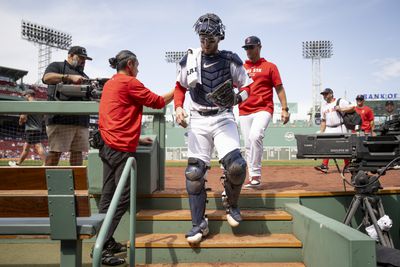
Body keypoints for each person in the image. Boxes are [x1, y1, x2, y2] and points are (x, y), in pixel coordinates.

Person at [174, 13, 253, 244]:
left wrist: (238, 99)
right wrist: (179, 107)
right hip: (198, 118)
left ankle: (231, 202)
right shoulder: (189, 59)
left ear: (219, 38)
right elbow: (179, 87)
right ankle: (199, 224)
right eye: (202, 38)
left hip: (223, 117)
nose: (205, 43)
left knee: (237, 167)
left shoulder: (230, 60)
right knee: (194, 174)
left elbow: (249, 86)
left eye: (210, 39)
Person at [97, 50, 174, 265]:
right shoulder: (129, 82)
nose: (138, 69)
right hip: (120, 149)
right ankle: (101, 248)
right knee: (122, 198)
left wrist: (137, 140)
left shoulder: (111, 82)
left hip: (107, 144)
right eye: (137, 65)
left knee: (107, 196)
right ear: (130, 64)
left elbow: (116, 115)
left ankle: (106, 240)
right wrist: (178, 90)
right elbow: (158, 102)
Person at [239, 36, 290, 189]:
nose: (248, 50)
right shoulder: (241, 67)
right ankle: (252, 177)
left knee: (255, 136)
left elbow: (279, 88)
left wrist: (284, 108)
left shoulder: (270, 66)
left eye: (251, 47)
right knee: (248, 144)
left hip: (263, 108)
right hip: (244, 110)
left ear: (259, 47)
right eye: (246, 48)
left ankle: (256, 175)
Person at [42, 46, 92, 166]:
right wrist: (68, 77)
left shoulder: (84, 75)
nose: (83, 61)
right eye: (80, 58)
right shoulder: (57, 66)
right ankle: (45, 182)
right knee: (55, 152)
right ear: (70, 55)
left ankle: (76, 183)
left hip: (81, 121)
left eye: (85, 59)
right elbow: (46, 78)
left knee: (77, 154)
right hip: (60, 119)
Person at [314, 88, 354, 173]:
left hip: (340, 126)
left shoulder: (340, 101)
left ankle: (347, 166)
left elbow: (353, 107)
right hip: (329, 128)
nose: (324, 96)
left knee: (344, 147)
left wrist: (342, 109)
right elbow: (323, 121)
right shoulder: (323, 107)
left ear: (331, 94)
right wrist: (321, 132)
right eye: (323, 94)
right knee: (326, 146)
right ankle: (324, 165)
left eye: (326, 94)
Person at [8, 90, 46, 166]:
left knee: (37, 146)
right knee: (26, 148)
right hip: (38, 128)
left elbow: (23, 117)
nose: (23, 97)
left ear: (28, 95)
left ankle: (46, 163)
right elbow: (43, 116)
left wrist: (20, 121)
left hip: (30, 129)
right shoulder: (40, 104)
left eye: (24, 95)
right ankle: (18, 164)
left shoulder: (28, 104)